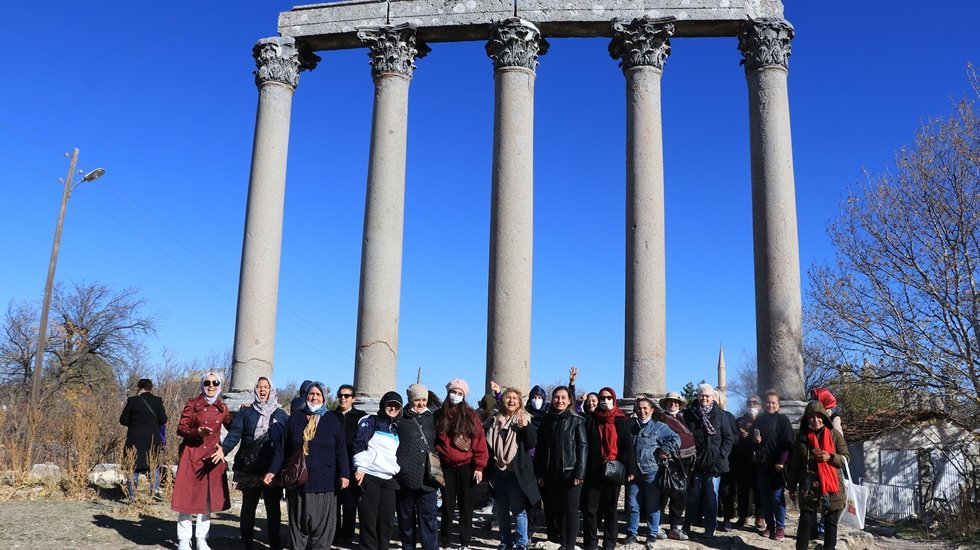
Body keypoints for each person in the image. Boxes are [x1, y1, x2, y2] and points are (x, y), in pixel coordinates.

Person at [265, 381, 350, 550]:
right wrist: (272, 470)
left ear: (324, 398)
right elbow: (282, 448)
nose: (314, 397)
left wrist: (345, 474)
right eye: (312, 394)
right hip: (299, 482)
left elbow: (341, 450)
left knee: (323, 529)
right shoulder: (295, 418)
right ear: (306, 396)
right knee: (298, 527)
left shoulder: (332, 420)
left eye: (318, 394)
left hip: (325, 483)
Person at [216, 376, 288, 550]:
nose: (263, 390)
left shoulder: (281, 414)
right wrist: (223, 449)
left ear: (272, 390)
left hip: (271, 468)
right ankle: (246, 542)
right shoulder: (246, 412)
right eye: (259, 387)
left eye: (266, 387)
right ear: (255, 389)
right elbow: (235, 434)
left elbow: (286, 441)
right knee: (249, 506)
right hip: (249, 467)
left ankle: (274, 543)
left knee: (273, 508)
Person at [172, 372, 232, 550]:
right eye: (207, 382)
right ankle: (184, 539)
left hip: (211, 459)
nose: (211, 386)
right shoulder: (193, 404)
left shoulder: (223, 407)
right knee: (187, 500)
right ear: (202, 385)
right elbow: (181, 428)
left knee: (207, 501)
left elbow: (233, 426)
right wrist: (196, 432)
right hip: (192, 456)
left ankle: (201, 539)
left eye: (215, 383)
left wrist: (246, 412)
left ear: (220, 386)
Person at [434, 378, 489, 549]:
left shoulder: (471, 415)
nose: (456, 396)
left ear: (464, 396)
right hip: (446, 467)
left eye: (460, 393)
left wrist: (480, 466)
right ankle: (445, 542)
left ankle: (465, 542)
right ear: (448, 392)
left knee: (466, 507)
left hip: (467, 466)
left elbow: (479, 440)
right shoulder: (438, 415)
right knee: (447, 507)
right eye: (453, 392)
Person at [787, 401, 850, 550]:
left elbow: (846, 458)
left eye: (818, 416)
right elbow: (795, 464)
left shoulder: (834, 435)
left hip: (832, 484)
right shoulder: (802, 438)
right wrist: (791, 486)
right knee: (805, 521)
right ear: (806, 419)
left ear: (824, 417)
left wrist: (831, 457)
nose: (815, 420)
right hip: (809, 485)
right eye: (811, 417)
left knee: (830, 522)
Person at [486, 387, 541, 550]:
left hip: (515, 472)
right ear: (503, 400)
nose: (511, 401)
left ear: (519, 402)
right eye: (508, 397)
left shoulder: (524, 418)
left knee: (519, 509)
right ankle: (505, 542)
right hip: (497, 471)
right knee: (501, 511)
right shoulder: (495, 419)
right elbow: (485, 440)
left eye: (514, 398)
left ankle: (522, 543)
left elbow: (532, 443)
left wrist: (526, 427)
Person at [534, 386, 587, 550]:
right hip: (551, 473)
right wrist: (540, 473)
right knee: (558, 510)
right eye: (557, 397)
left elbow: (583, 447)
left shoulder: (576, 420)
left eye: (564, 397)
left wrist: (580, 472)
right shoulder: (546, 420)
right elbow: (541, 448)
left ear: (569, 400)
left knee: (570, 511)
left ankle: (569, 545)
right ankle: (563, 543)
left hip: (571, 472)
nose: (560, 400)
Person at [581, 386, 633, 550]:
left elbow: (628, 446)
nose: (605, 401)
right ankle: (591, 543)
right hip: (593, 470)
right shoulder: (591, 419)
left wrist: (631, 469)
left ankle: (610, 542)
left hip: (614, 470)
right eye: (602, 398)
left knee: (611, 509)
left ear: (614, 399)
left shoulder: (621, 420)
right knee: (590, 510)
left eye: (609, 398)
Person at [624, 397, 680, 545]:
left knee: (652, 505)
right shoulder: (631, 426)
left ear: (651, 410)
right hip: (633, 472)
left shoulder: (659, 427)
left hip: (652, 472)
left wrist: (664, 450)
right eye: (639, 408)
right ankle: (632, 532)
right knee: (632, 504)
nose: (642, 411)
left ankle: (652, 533)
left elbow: (675, 439)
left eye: (645, 408)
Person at [682, 383, 734, 540]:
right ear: (697, 396)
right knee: (694, 494)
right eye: (701, 395)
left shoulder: (721, 415)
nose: (704, 398)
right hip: (696, 462)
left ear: (713, 397)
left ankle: (710, 528)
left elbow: (729, 438)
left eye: (707, 395)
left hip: (715, 463)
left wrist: (721, 455)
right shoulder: (690, 414)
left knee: (712, 495)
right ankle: (687, 525)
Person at [353, 391, 402, 550]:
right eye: (390, 404)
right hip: (370, 476)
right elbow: (360, 442)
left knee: (386, 520)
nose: (393, 408)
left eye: (397, 406)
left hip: (388, 478)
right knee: (369, 519)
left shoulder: (395, 427)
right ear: (383, 405)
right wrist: (360, 467)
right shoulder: (370, 421)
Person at [396, 384, 440, 550]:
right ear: (410, 399)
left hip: (428, 479)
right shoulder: (400, 419)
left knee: (429, 519)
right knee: (406, 519)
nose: (421, 403)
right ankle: (408, 547)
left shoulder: (435, 418)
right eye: (417, 400)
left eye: (424, 400)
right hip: (405, 478)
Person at [752, 389, 794, 541]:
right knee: (765, 497)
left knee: (776, 497)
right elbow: (753, 442)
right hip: (762, 464)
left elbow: (788, 443)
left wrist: (782, 461)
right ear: (764, 403)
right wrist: (756, 442)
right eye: (768, 402)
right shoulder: (760, 420)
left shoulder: (783, 420)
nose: (770, 405)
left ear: (778, 405)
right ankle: (770, 526)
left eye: (773, 402)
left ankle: (780, 527)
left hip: (777, 465)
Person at [119, 377, 167, 502]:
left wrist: (134, 423)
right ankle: (155, 491)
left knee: (132, 464)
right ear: (151, 388)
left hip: (135, 437)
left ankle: (132, 495)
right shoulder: (157, 401)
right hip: (152, 438)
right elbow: (163, 420)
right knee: (154, 464)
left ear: (139, 387)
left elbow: (123, 420)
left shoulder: (132, 401)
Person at [333, 384, 366, 546]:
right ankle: (334, 534)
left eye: (346, 396)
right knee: (334, 504)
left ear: (354, 398)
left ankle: (347, 536)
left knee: (350, 505)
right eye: (340, 395)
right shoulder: (331, 416)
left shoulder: (361, 417)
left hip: (353, 466)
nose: (343, 398)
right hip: (333, 467)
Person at [658, 391, 693, 541]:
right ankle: (656, 526)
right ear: (665, 404)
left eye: (676, 402)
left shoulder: (684, 418)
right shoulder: (660, 418)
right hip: (668, 462)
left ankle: (676, 527)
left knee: (680, 494)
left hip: (685, 463)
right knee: (663, 494)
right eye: (670, 402)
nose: (673, 404)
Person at [733, 394, 762, 529]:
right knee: (743, 490)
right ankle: (743, 515)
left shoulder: (764, 420)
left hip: (759, 460)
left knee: (759, 489)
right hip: (743, 460)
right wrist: (739, 433)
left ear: (760, 405)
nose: (752, 405)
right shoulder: (739, 421)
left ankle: (759, 516)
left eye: (755, 403)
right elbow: (732, 435)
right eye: (749, 403)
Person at [716, 390, 739, 532]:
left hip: (726, 460)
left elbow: (734, 437)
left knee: (726, 491)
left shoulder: (728, 416)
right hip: (708, 460)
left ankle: (727, 519)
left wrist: (724, 451)